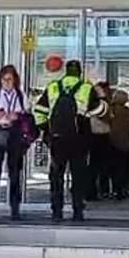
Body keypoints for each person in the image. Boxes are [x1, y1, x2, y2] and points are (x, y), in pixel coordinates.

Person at [34, 59, 105, 223]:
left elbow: (39, 111)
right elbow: (99, 111)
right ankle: (77, 211)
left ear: (65, 71)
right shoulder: (87, 88)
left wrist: (47, 130)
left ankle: (56, 212)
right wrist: (100, 95)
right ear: (80, 72)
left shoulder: (53, 87)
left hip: (57, 140)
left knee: (56, 176)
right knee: (78, 176)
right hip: (79, 140)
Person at [0, 64, 28, 222]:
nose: (7, 83)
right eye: (4, 80)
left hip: (14, 132)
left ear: (15, 80)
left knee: (15, 172)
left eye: (10, 79)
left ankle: (15, 210)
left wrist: (17, 117)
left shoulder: (21, 96)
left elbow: (26, 117)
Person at [88, 81, 114, 201]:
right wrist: (102, 95)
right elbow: (104, 114)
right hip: (98, 135)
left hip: (99, 135)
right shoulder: (98, 104)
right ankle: (95, 191)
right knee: (98, 166)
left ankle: (98, 190)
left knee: (99, 166)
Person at [108, 89, 129, 198]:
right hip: (124, 143)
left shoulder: (110, 111)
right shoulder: (127, 113)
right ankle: (123, 189)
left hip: (111, 142)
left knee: (113, 168)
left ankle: (115, 189)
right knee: (124, 168)